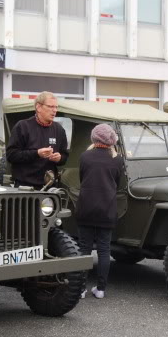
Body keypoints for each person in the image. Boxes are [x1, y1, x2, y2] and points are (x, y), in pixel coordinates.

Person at [76, 124, 124, 299]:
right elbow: (117, 184)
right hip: (107, 209)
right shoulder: (117, 159)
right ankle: (101, 289)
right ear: (111, 140)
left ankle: (80, 289)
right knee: (104, 250)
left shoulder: (85, 157)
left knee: (84, 249)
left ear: (94, 138)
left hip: (86, 208)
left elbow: (82, 179)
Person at [5, 91, 68, 189]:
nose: (54, 110)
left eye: (56, 107)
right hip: (25, 187)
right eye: (50, 107)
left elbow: (64, 156)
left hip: (49, 187)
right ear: (38, 107)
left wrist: (59, 158)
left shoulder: (59, 129)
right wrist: (36, 153)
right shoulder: (23, 126)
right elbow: (11, 155)